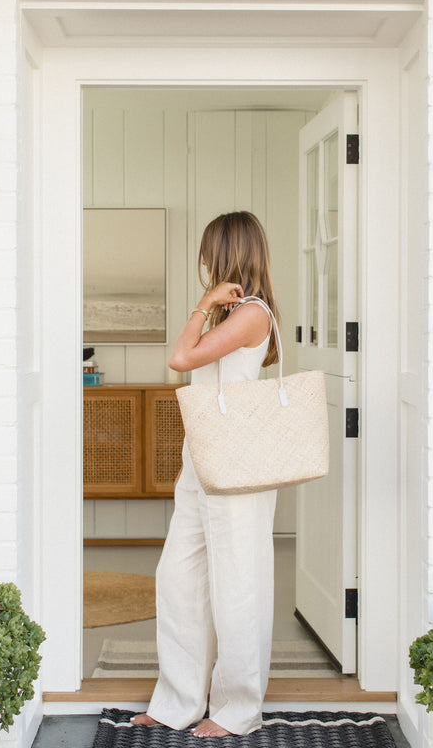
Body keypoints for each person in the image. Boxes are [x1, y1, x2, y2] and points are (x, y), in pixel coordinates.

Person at [131, 211, 280, 738]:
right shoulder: (230, 314)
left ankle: (237, 709)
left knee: (237, 585)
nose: (202, 261)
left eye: (208, 252)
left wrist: (203, 303)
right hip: (202, 460)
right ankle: (178, 700)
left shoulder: (252, 313)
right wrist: (212, 305)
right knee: (179, 579)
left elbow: (180, 358)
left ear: (225, 254)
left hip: (236, 463)